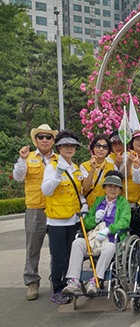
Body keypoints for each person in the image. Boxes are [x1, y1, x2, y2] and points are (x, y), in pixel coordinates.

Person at [62, 171, 131, 295]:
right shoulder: (98, 202)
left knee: (110, 248)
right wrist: (95, 219)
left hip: (112, 239)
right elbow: (87, 223)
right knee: (77, 242)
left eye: (116, 187)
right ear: (104, 188)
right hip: (95, 238)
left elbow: (125, 221)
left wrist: (109, 229)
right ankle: (74, 280)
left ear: (120, 190)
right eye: (110, 186)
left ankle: (96, 280)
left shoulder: (123, 203)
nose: (113, 189)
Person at [12, 124, 58, 300]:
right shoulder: (28, 157)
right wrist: (22, 160)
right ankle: (32, 282)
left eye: (48, 137)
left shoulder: (59, 158)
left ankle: (56, 278)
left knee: (57, 247)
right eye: (41, 137)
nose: (45, 140)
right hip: (35, 209)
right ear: (35, 140)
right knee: (33, 248)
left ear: (53, 140)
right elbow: (18, 177)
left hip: (56, 209)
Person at [41, 130, 86, 305]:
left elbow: (77, 192)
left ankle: (69, 284)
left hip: (73, 219)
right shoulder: (52, 167)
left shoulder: (75, 168)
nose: (69, 148)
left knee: (70, 255)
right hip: (57, 220)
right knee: (58, 256)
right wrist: (58, 174)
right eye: (65, 145)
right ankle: (57, 288)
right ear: (59, 147)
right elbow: (46, 190)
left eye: (72, 145)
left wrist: (84, 203)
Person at [81, 134, 115, 207]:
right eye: (98, 146)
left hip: (106, 207)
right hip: (89, 208)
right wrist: (92, 170)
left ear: (108, 151)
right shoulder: (84, 166)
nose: (101, 149)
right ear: (93, 148)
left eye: (105, 147)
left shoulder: (112, 166)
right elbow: (86, 187)